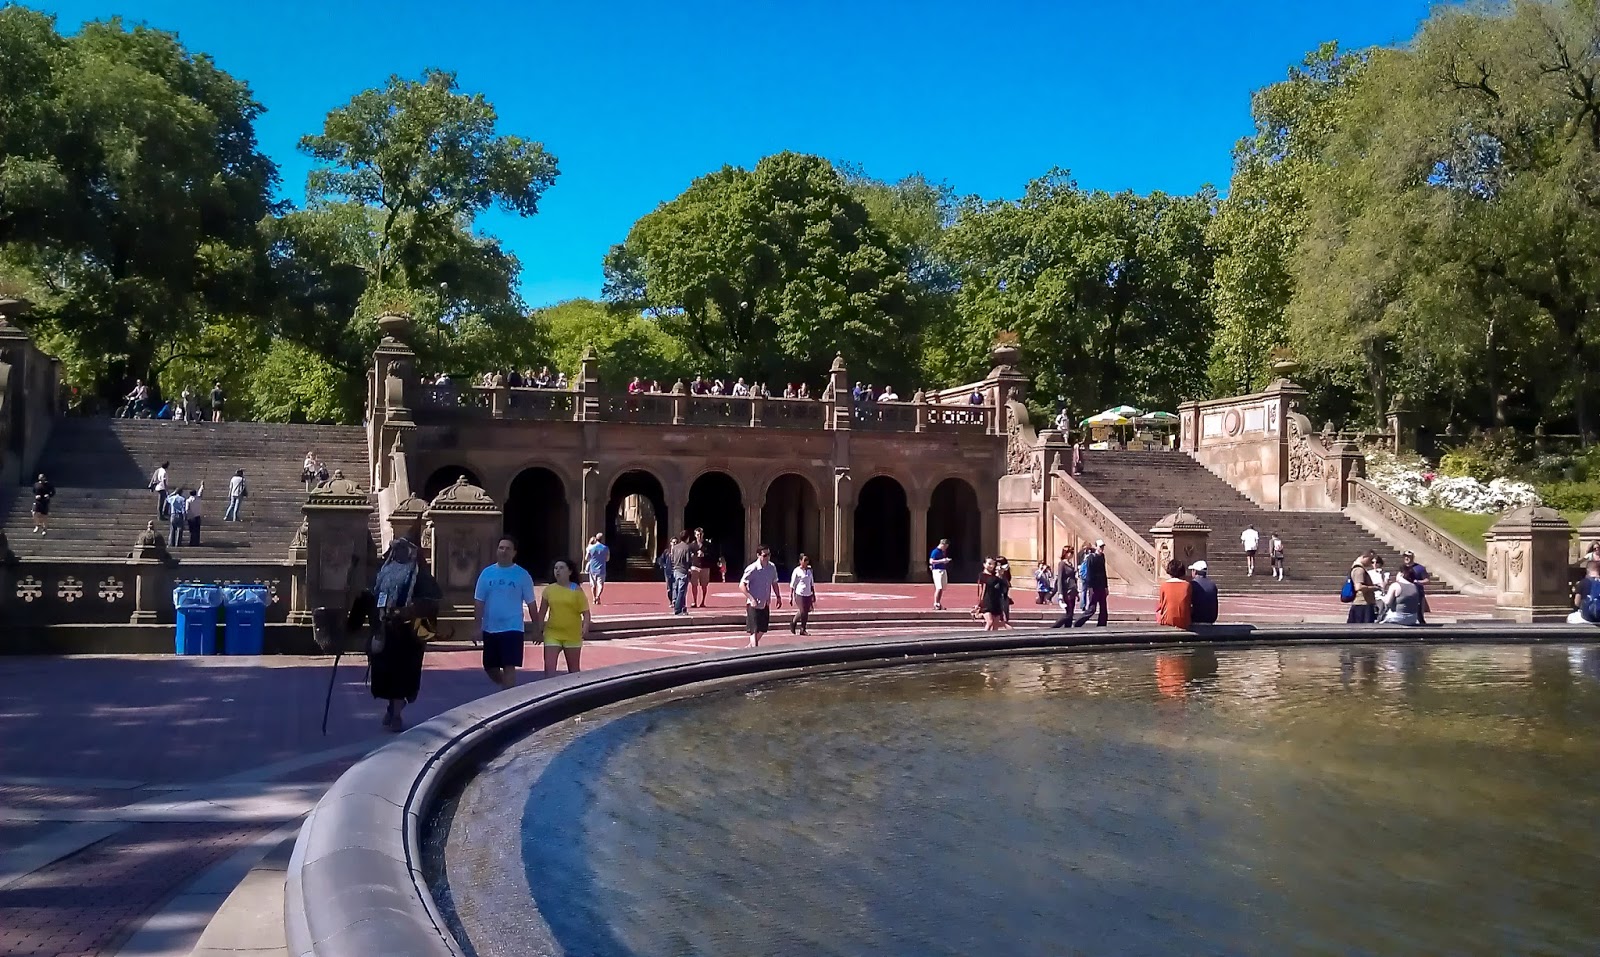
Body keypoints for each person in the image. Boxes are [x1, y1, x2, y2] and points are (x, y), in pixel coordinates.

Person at [356, 536, 440, 732]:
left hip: (409, 637)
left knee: (402, 676)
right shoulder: (382, 573)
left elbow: (431, 603)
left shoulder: (421, 576)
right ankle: (393, 707)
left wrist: (410, 611)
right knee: (385, 675)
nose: (397, 553)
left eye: (402, 549)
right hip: (384, 633)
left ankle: (396, 713)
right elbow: (369, 598)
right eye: (395, 549)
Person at [474, 535, 537, 690]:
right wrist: (477, 627)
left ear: (514, 553)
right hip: (490, 627)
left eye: (508, 548)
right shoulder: (486, 573)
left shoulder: (522, 575)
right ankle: (508, 688)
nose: (504, 551)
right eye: (501, 548)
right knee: (490, 667)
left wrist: (537, 628)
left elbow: (531, 603)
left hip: (513, 627)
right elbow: (479, 601)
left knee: (509, 665)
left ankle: (508, 696)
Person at [537, 558, 590, 677]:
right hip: (552, 633)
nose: (558, 571)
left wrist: (585, 627)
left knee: (573, 670)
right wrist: (539, 630)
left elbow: (586, 613)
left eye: (561, 568)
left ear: (569, 571)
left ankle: (576, 694)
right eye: (556, 568)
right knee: (549, 671)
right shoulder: (549, 590)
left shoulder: (576, 590)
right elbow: (542, 612)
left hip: (572, 635)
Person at [739, 545, 783, 647]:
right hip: (753, 604)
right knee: (753, 630)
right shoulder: (752, 568)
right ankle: (755, 651)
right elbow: (741, 585)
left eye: (769, 555)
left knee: (762, 629)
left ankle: (750, 647)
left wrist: (778, 596)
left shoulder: (772, 567)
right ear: (758, 555)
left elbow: (774, 583)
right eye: (765, 555)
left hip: (765, 603)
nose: (767, 557)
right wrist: (750, 598)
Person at [1073, 540, 1109, 627]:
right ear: (1096, 547)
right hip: (1094, 586)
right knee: (1092, 608)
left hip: (1101, 586)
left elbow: (1104, 572)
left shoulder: (1102, 556)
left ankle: (1102, 624)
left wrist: (1106, 586)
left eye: (1103, 547)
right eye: (1100, 547)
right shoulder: (1091, 557)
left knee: (1104, 608)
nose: (1102, 549)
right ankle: (1078, 623)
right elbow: (1089, 573)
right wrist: (1090, 587)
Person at [1155, 559, 1193, 628]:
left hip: (1167, 620)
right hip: (1184, 621)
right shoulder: (1187, 585)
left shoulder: (1164, 585)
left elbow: (1161, 605)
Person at [979, 557, 1011, 631]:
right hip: (987, 602)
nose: (991, 566)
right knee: (990, 622)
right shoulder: (982, 575)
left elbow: (1004, 586)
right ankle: (982, 638)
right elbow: (991, 582)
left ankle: (993, 640)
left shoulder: (996, 575)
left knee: (996, 625)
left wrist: (1001, 574)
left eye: (993, 564)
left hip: (996, 602)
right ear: (984, 564)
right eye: (989, 564)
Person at [1347, 552, 1379, 624]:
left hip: (1362, 604)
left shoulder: (1358, 569)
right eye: (1370, 560)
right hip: (1362, 604)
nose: (1371, 563)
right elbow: (1358, 587)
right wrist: (1374, 588)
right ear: (1364, 557)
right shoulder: (1359, 570)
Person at [1400, 551, 1430, 625]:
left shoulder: (1420, 568)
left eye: (1408, 556)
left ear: (1412, 557)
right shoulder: (1402, 568)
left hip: (1417, 593)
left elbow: (1427, 580)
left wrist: (1417, 581)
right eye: (1405, 556)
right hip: (1404, 593)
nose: (1406, 558)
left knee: (1419, 613)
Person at [788, 553, 816, 635]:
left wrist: (813, 594)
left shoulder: (810, 571)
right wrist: (790, 596)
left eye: (807, 560)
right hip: (799, 593)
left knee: (806, 611)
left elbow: (811, 583)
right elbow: (792, 584)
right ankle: (795, 623)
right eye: (804, 560)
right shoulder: (796, 571)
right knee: (803, 610)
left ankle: (802, 628)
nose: (806, 562)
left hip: (808, 593)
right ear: (800, 561)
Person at [669, 530, 692, 615]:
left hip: (676, 569)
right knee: (682, 591)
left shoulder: (675, 547)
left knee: (677, 589)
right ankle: (678, 609)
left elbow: (672, 558)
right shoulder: (687, 547)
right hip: (683, 570)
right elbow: (687, 561)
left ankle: (682, 607)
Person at [688, 528, 712, 608]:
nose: (699, 536)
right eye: (698, 534)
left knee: (704, 586)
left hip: (705, 567)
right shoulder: (691, 545)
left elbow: (713, 556)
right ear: (695, 535)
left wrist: (704, 554)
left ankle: (703, 601)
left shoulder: (708, 545)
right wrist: (690, 566)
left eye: (701, 534)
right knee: (694, 585)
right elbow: (688, 556)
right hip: (695, 567)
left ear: (703, 534)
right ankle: (694, 601)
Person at [584, 533, 610, 606]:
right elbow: (607, 559)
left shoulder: (591, 548)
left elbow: (586, 558)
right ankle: (598, 597)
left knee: (593, 585)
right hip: (601, 568)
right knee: (600, 584)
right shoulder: (605, 548)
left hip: (592, 568)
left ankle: (593, 598)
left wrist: (592, 559)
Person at [929, 538, 952, 610]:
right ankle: (936, 603)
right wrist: (942, 561)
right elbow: (931, 561)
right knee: (939, 587)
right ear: (943, 544)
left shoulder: (942, 552)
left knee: (942, 588)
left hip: (942, 569)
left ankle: (938, 603)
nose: (946, 548)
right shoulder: (935, 551)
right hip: (937, 571)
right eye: (946, 546)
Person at [1054, 545, 1078, 613]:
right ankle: (1057, 624)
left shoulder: (1070, 564)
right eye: (1070, 552)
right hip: (1066, 591)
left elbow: (1074, 578)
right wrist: (1060, 593)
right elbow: (1060, 579)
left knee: (1071, 612)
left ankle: (1069, 624)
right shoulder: (1062, 564)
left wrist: (1076, 592)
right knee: (1068, 613)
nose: (1071, 554)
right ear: (1066, 553)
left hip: (1072, 590)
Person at [657, 535, 677, 607]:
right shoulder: (667, 552)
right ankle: (671, 600)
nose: (674, 544)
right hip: (668, 572)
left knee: (675, 586)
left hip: (676, 571)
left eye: (676, 542)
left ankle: (675, 600)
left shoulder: (678, 551)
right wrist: (664, 565)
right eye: (673, 542)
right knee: (669, 588)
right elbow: (660, 560)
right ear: (670, 543)